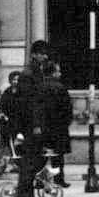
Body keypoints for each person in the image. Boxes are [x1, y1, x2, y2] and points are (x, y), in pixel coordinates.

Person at [14, 40, 52, 197]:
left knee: (34, 164)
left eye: (45, 53)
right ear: (34, 54)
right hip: (31, 126)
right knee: (29, 164)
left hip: (36, 125)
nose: (45, 56)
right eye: (42, 53)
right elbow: (29, 103)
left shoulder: (36, 72)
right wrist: (35, 125)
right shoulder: (28, 74)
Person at [41, 59, 73, 188]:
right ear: (53, 73)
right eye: (58, 71)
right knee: (58, 156)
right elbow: (67, 109)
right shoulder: (60, 88)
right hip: (59, 127)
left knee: (41, 156)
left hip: (43, 126)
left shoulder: (39, 86)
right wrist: (66, 122)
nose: (60, 74)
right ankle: (59, 179)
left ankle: (40, 179)